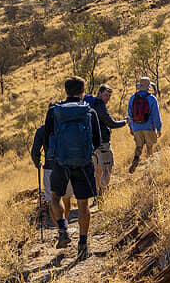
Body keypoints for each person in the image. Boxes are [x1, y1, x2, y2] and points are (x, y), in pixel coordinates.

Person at [31, 75, 102, 256]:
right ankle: (83, 244)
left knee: (56, 198)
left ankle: (62, 230)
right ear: (83, 92)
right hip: (84, 162)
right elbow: (97, 141)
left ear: (66, 91)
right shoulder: (89, 112)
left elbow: (47, 137)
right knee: (83, 204)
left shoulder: (54, 111)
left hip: (60, 162)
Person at [85, 81, 128, 197]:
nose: (107, 98)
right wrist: (124, 122)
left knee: (98, 171)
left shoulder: (90, 105)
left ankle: (96, 194)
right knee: (107, 170)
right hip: (102, 143)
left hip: (92, 144)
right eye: (105, 95)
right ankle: (101, 195)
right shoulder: (99, 106)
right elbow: (111, 123)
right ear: (99, 93)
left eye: (109, 96)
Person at [126, 76, 162, 172]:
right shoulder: (152, 98)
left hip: (136, 127)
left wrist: (131, 127)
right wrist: (158, 128)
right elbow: (156, 115)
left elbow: (129, 114)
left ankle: (136, 159)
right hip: (149, 127)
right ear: (148, 87)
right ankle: (150, 166)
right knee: (150, 146)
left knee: (139, 145)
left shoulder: (132, 98)